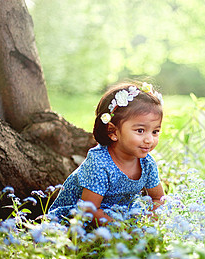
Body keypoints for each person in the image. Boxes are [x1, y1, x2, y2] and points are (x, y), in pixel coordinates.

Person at [48, 82, 165, 225]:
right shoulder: (99, 162)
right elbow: (89, 210)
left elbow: (158, 198)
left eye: (155, 132)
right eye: (140, 130)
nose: (149, 140)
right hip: (77, 220)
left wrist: (148, 224)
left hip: (116, 217)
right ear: (113, 131)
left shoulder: (146, 163)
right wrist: (125, 229)